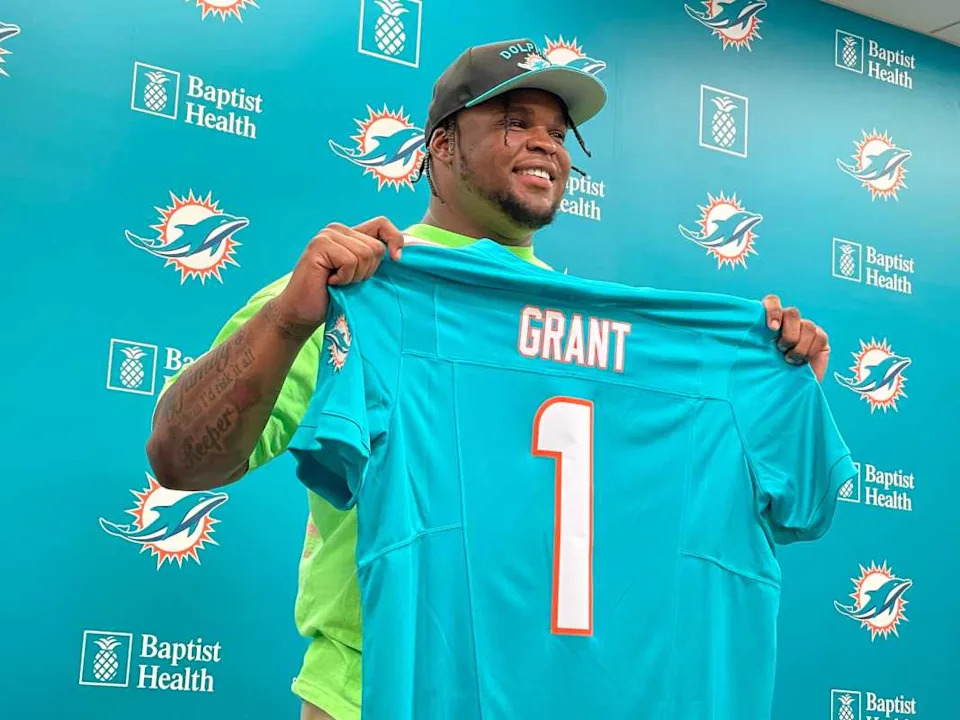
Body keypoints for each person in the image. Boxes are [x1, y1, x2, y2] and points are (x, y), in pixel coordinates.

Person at [146, 38, 830, 720]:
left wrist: (778, 380)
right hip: (378, 692)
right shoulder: (357, 291)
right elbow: (178, 458)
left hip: (556, 694)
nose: (546, 145)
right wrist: (289, 323)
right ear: (442, 146)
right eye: (515, 122)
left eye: (559, 133)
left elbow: (802, 511)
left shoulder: (635, 343)